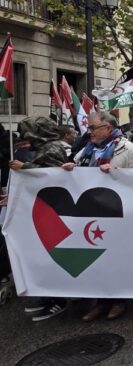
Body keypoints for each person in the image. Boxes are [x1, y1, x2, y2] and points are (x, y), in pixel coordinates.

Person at [65, 111, 133, 321]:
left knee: (116, 257)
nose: (89, 132)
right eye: (89, 128)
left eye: (92, 128)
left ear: (108, 128)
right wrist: (70, 169)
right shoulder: (85, 151)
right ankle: (101, 302)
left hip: (118, 213)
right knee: (96, 258)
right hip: (92, 213)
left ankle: (119, 301)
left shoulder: (128, 149)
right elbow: (77, 173)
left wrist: (117, 173)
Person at [10, 117, 71, 322]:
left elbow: (52, 178)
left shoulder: (52, 149)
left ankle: (58, 299)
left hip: (54, 210)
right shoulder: (45, 148)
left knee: (54, 255)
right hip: (44, 209)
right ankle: (49, 295)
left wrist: (25, 167)